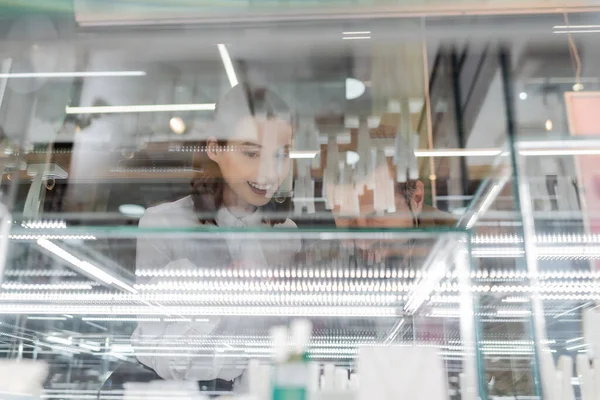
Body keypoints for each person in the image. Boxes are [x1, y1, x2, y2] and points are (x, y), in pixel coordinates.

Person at [129, 83, 300, 386]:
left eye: (280, 155)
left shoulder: (286, 236)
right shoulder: (162, 225)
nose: (269, 174)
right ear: (214, 148)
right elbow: (156, 350)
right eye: (252, 152)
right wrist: (217, 294)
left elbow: (288, 348)